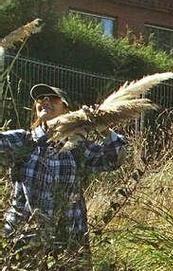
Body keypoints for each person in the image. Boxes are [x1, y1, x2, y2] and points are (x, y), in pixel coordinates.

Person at [0, 84, 127, 268]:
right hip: (23, 239)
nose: (45, 101)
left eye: (52, 98)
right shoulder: (23, 141)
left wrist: (103, 127)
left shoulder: (78, 147)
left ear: (67, 109)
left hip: (68, 241)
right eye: (40, 98)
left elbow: (115, 158)